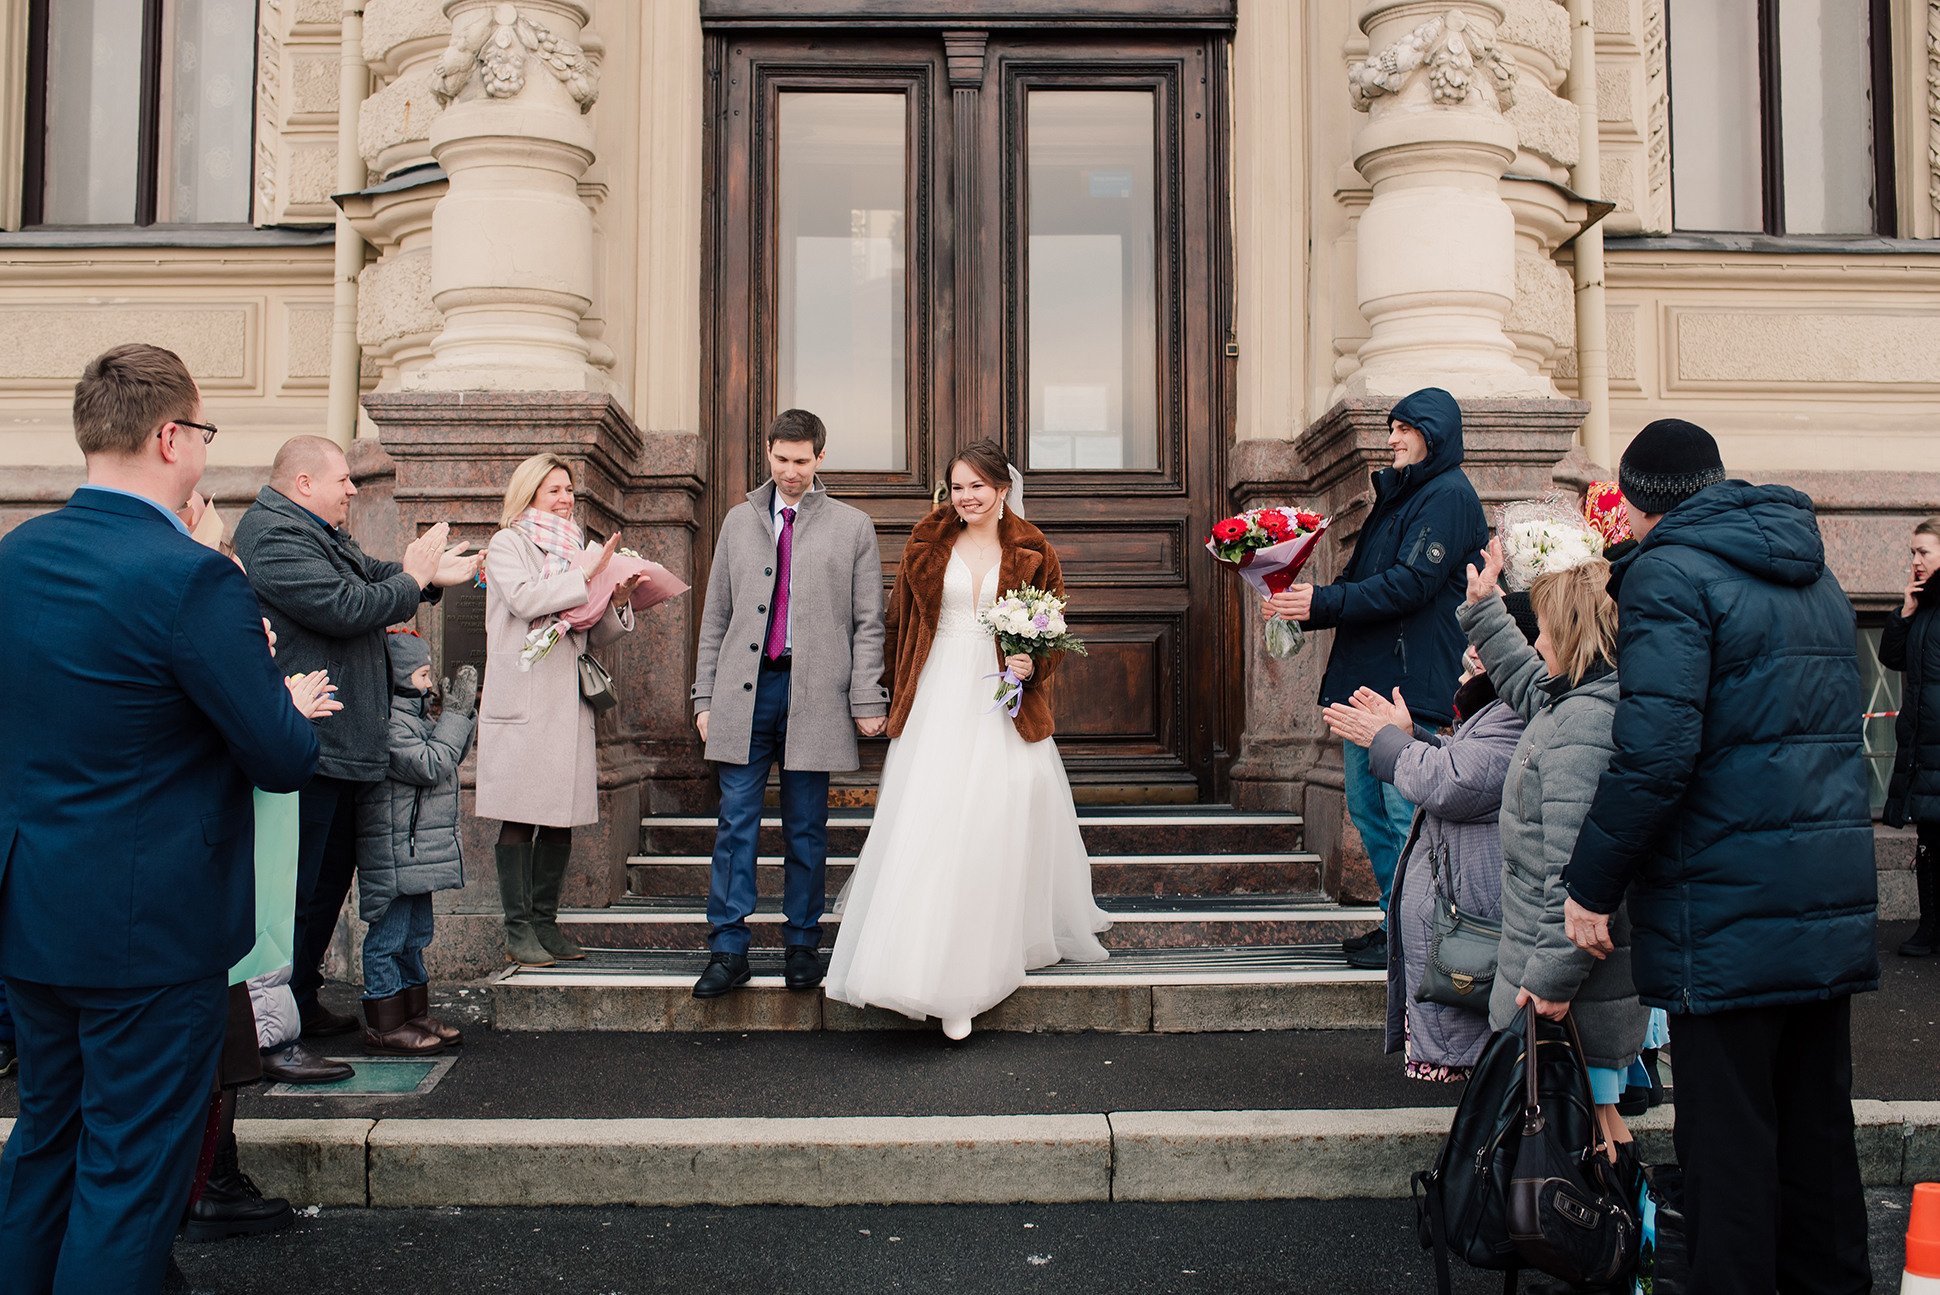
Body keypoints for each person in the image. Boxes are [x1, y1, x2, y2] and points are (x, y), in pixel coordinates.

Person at [0, 343, 319, 1292]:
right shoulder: (193, 577)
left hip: (33, 906)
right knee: (130, 1170)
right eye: (204, 432)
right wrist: (271, 683)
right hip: (150, 923)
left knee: (47, 1139)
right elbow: (281, 755)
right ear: (171, 437)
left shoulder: (16, 556)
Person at [1560, 419, 1878, 1292]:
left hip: (1727, 905)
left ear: (1638, 502)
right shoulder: (1812, 571)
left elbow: (1655, 754)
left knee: (1729, 1155)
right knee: (1818, 1144)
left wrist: (1591, 884)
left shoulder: (1668, 573)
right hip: (1823, 898)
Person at [826, 441, 1111, 1039]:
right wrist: (877, 696)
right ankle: (928, 969)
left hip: (1002, 699)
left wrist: (1033, 662)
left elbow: (1053, 630)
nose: (966, 497)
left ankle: (978, 961)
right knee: (932, 816)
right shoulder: (926, 542)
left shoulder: (1035, 549)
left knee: (995, 816)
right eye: (957, 487)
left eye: (977, 486)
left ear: (1002, 488)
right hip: (937, 694)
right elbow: (898, 622)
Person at [233, 435, 479, 1037]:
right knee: (298, 892)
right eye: (342, 479)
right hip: (312, 749)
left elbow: (373, 576)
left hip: (342, 750)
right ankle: (274, 1025)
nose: (352, 488)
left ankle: (301, 1001)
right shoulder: (272, 535)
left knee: (326, 888)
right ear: (304, 484)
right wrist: (415, 578)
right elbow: (346, 605)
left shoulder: (320, 533)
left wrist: (427, 579)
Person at [1268, 388, 1489, 970]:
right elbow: (1360, 576)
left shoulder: (1448, 496)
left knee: (1403, 815)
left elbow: (1411, 584)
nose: (1391, 439)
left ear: (1433, 435)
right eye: (1392, 428)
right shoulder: (1400, 494)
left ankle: (1425, 934)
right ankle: (1397, 925)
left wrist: (1323, 602)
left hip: (1407, 685)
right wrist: (1300, 602)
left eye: (1404, 429)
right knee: (1369, 812)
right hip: (1370, 677)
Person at [690, 410, 889, 999]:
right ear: (768, 452)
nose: (791, 471)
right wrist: (704, 697)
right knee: (736, 822)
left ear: (820, 458)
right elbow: (716, 616)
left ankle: (803, 945)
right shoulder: (738, 521)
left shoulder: (853, 527)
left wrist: (865, 695)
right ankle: (728, 950)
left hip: (816, 694)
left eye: (802, 461)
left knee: (806, 826)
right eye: (782, 459)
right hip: (744, 694)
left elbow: (869, 623)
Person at [1460, 544, 1646, 1165]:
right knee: (1595, 1124)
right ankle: (1630, 1220)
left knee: (1586, 1140)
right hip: (1567, 979)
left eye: (1544, 630)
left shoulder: (1583, 728)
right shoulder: (1574, 702)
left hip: (1569, 990)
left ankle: (1627, 1224)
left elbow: (1577, 876)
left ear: (1574, 636)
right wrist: (1485, 611)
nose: (1537, 642)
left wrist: (1549, 983)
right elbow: (1523, 680)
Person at [1325, 628, 1531, 1083]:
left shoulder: (1514, 714)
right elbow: (1461, 758)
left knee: (1501, 1073)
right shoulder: (1499, 709)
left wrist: (1389, 740)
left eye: (1476, 661)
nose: (1464, 670)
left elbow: (1452, 780)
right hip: (1469, 915)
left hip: (1478, 918)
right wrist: (1408, 735)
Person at [476, 454, 643, 967]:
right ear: (529, 494)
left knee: (558, 818)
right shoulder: (508, 544)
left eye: (569, 490)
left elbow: (586, 631)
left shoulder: (573, 547)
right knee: (519, 816)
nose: (566, 499)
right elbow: (526, 600)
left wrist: (616, 599)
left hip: (566, 702)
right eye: (554, 490)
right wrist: (587, 573)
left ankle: (545, 924)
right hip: (524, 698)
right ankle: (518, 929)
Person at [354, 630, 478, 1053]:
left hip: (414, 854)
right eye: (422, 674)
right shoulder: (388, 723)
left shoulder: (416, 719)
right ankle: (385, 1022)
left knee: (415, 936)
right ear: (399, 676)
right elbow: (431, 764)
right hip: (395, 855)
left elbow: (450, 756)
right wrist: (454, 718)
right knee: (387, 939)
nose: (429, 683)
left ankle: (412, 1013)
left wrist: (459, 715)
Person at [1883, 517, 1940, 957]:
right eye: (1912, 553)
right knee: (1929, 841)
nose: (1915, 561)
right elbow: (1892, 657)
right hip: (1924, 745)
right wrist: (1905, 612)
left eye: (1924, 552)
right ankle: (1930, 928)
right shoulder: (1923, 605)